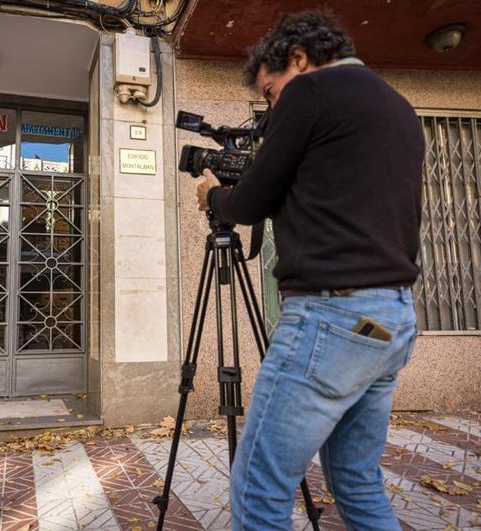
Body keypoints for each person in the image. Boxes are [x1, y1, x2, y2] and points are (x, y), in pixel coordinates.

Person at [195, 10, 425, 530]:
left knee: (258, 486)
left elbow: (251, 202)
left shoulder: (312, 92)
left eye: (271, 93)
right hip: (391, 317)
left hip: (332, 315)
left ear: (298, 59)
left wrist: (212, 193)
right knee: (359, 482)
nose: (273, 108)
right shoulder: (399, 107)